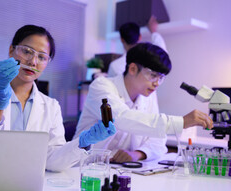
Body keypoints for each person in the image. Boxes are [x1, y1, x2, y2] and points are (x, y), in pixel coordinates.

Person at [0, 25, 116, 172]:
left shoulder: (51, 106)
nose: (33, 62)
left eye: (42, 57)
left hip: (30, 186)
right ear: (11, 50)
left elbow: (53, 161)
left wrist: (84, 142)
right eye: (27, 51)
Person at [74, 42, 213, 163]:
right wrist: (181, 122)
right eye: (153, 75)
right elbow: (121, 118)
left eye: (161, 78)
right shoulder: (101, 86)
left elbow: (158, 141)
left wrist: (137, 154)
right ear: (133, 68)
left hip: (122, 170)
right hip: (84, 167)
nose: (157, 83)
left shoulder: (148, 95)